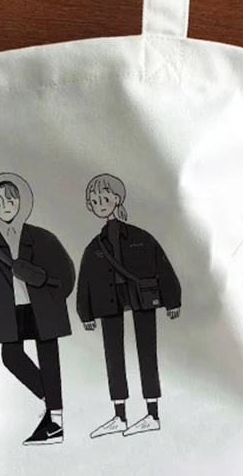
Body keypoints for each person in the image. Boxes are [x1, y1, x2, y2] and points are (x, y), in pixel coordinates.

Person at [76, 174, 181, 438]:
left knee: (147, 351)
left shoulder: (140, 237)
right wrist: (85, 313)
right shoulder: (95, 245)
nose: (100, 204)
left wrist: (172, 300)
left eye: (104, 198)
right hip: (108, 300)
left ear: (117, 198)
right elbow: (85, 279)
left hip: (141, 297)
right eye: (95, 201)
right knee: (113, 356)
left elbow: (161, 265)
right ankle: (120, 415)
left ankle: (152, 413)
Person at [0, 173, 75, 445]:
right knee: (11, 356)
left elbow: (66, 273)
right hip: (11, 313)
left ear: (20, 202)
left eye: (10, 200)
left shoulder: (42, 237)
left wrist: (55, 299)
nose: (5, 207)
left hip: (42, 309)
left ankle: (56, 422)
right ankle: (51, 403)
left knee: (49, 360)